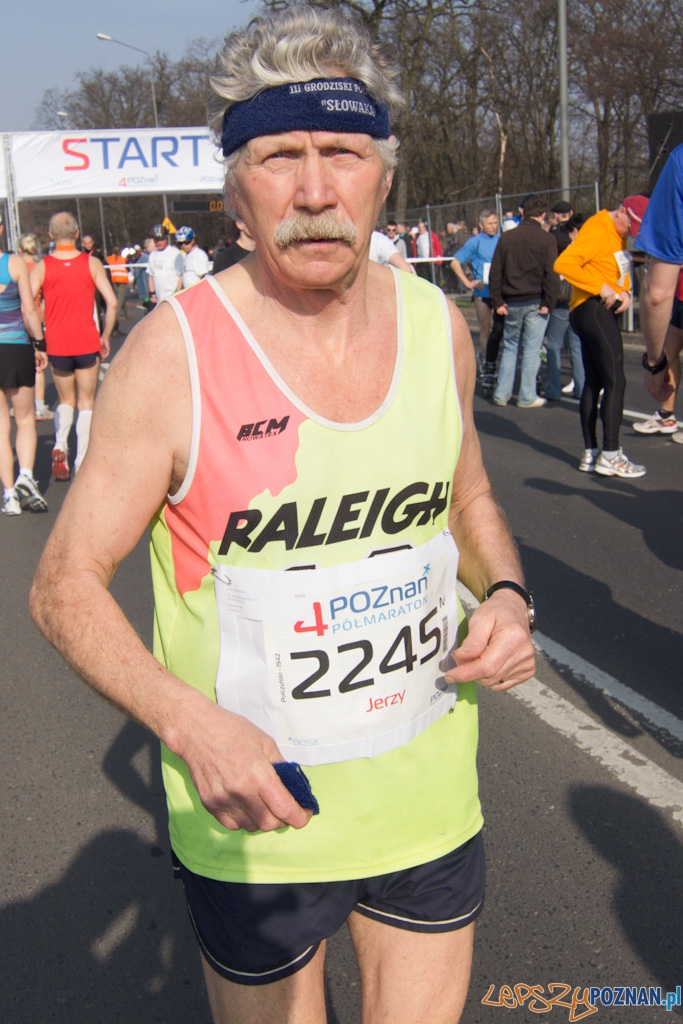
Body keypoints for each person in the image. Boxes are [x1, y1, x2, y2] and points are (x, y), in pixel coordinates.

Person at [30, 9, 536, 1024]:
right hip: (258, 821)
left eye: (342, 154)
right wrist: (188, 724)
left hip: (427, 798)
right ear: (236, 194)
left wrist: (511, 597)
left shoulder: (437, 327)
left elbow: (467, 497)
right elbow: (63, 585)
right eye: (279, 159)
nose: (314, 191)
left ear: (382, 178)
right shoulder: (173, 355)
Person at [554, 197, 648, 476]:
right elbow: (564, 263)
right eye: (631, 226)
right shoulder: (599, 227)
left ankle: (591, 451)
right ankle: (610, 454)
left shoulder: (617, 233)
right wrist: (602, 288)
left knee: (594, 382)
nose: (632, 233)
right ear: (622, 212)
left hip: (590, 311)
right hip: (592, 309)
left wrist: (625, 291)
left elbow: (618, 266)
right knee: (616, 381)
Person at [30, 212, 117, 480]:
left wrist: (38, 339)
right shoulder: (91, 263)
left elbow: (29, 304)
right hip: (86, 340)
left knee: (65, 399)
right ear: (77, 234)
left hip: (57, 342)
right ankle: (81, 458)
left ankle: (60, 443)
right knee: (86, 402)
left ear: (51, 236)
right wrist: (105, 335)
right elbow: (112, 302)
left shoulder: (43, 266)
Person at [632, 142, 683, 443]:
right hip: (680, 300)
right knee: (671, 350)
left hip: (675, 297)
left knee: (667, 353)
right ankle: (666, 414)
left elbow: (656, 294)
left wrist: (654, 364)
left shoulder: (679, 161)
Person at [489, 196, 559, 408]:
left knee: (510, 348)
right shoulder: (547, 239)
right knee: (531, 349)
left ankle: (502, 393)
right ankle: (527, 395)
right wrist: (549, 301)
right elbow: (551, 274)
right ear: (543, 215)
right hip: (536, 300)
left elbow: (496, 271)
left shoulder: (507, 238)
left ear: (522, 213)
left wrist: (497, 300)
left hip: (511, 300)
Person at [0, 222, 48, 515]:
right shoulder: (15, 263)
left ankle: (9, 496)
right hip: (16, 347)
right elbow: (29, 309)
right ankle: (26, 476)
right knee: (26, 419)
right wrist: (40, 343)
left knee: (0, 427)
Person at [449, 209, 500, 371]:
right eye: (490, 224)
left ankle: (493, 358)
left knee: (499, 329)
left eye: (495, 223)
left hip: (500, 291)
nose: (493, 227)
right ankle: (487, 362)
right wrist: (467, 283)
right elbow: (455, 263)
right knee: (485, 327)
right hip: (482, 292)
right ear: (481, 225)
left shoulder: (502, 240)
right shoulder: (475, 242)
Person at [543, 212, 586, 401]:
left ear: (574, 231)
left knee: (553, 343)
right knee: (575, 344)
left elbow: (560, 273)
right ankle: (582, 387)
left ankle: (552, 388)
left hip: (563, 302)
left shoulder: (571, 250)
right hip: (580, 301)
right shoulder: (591, 248)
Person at [17, 233, 53, 420]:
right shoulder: (40, 268)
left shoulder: (14, 267)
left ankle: (21, 406)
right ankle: (39, 406)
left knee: (19, 363)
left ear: (20, 249)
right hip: (36, 318)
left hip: (15, 319)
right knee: (38, 364)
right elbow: (45, 299)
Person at [147, 224, 184, 304]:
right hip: (159, 298)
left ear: (166, 239)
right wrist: (152, 293)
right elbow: (151, 276)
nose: (159, 243)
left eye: (162, 240)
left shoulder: (175, 253)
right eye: (157, 240)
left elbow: (181, 275)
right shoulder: (152, 255)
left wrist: (177, 292)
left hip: (172, 296)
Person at [106, 245, 129, 332]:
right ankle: (116, 314)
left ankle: (127, 313)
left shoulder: (109, 259)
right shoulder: (123, 259)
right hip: (122, 279)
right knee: (120, 298)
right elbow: (127, 266)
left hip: (114, 279)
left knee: (120, 297)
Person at [133, 238, 155, 314]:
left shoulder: (150, 256)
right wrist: (137, 281)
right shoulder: (146, 257)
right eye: (154, 246)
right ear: (149, 247)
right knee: (150, 307)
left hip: (149, 286)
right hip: (146, 286)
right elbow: (137, 270)